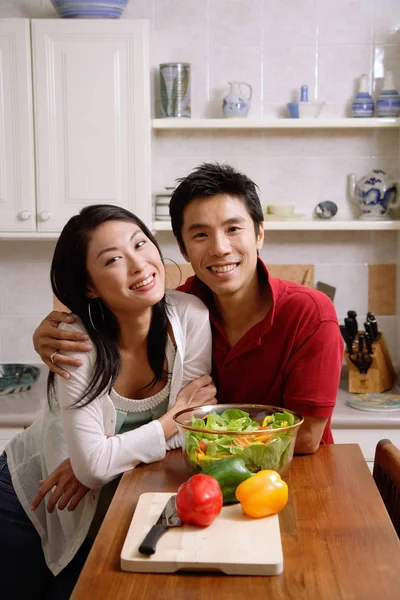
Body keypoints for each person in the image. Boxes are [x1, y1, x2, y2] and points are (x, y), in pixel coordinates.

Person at [34, 164, 344, 451]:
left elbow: (304, 438)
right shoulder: (178, 311)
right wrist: (89, 459)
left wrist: (111, 456)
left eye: (233, 229)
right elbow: (112, 349)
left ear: (259, 233)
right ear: (183, 248)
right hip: (206, 479)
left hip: (300, 481)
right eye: (200, 235)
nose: (220, 248)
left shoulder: (310, 314)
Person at [0, 205, 215, 600]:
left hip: (104, 500)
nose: (139, 264)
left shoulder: (190, 318)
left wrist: (103, 458)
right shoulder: (75, 344)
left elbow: (193, 430)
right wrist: (167, 424)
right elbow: (104, 461)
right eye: (114, 259)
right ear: (89, 286)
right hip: (28, 497)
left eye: (141, 244)